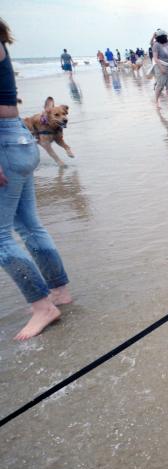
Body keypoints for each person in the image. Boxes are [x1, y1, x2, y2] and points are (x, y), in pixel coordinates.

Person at [0, 19, 72, 340]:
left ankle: (43, 307)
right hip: (17, 137)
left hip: (4, 144)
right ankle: (59, 291)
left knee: (1, 239)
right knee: (29, 225)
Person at [151, 29, 168, 107]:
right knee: (160, 85)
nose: (167, 37)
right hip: (160, 66)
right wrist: (161, 68)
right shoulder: (156, 45)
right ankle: (156, 101)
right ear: (163, 36)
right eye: (166, 36)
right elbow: (155, 58)